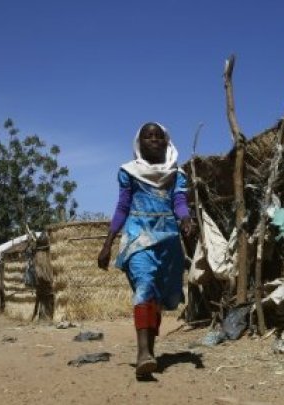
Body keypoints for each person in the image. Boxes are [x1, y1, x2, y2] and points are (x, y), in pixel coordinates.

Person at [97, 122, 193, 376]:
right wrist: (108, 244)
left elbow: (179, 202)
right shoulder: (128, 172)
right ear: (139, 143)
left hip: (168, 240)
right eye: (148, 136)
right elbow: (122, 207)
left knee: (156, 297)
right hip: (137, 236)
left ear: (166, 142)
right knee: (144, 285)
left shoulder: (176, 174)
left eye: (158, 136)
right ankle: (142, 354)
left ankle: (149, 351)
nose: (153, 140)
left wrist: (185, 218)